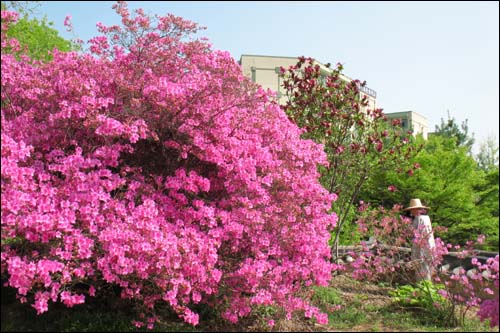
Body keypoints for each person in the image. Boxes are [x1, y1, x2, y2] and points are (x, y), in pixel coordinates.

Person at [403, 198, 435, 281]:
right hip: (422, 246)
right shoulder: (420, 219)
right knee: (421, 269)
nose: (412, 212)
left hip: (423, 247)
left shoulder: (422, 219)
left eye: (413, 210)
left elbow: (422, 234)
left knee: (424, 269)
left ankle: (425, 289)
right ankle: (423, 288)